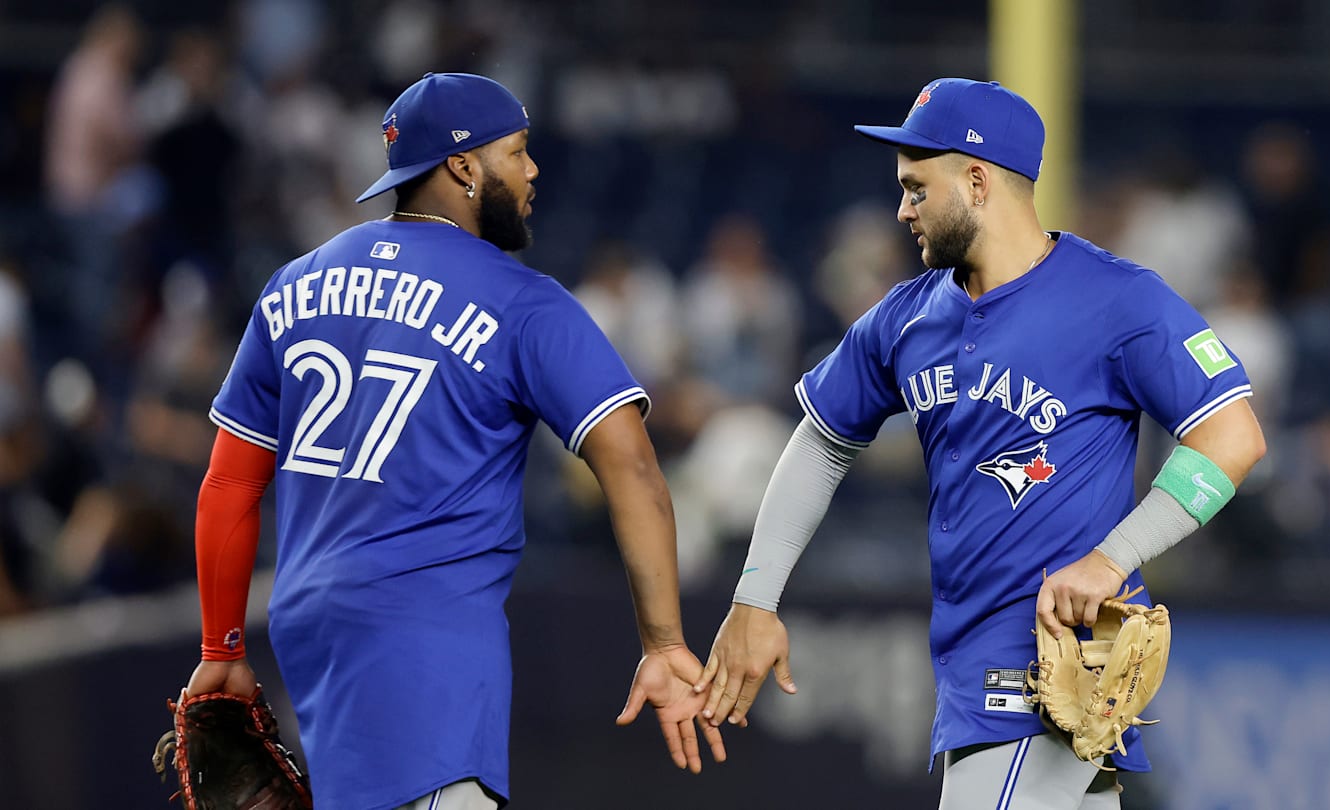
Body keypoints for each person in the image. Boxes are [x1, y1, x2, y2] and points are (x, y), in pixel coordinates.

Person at [697, 78, 1267, 809]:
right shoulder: (905, 318)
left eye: (916, 189)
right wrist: (754, 599)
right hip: (971, 673)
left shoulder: (1117, 299)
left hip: (1038, 666)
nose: (902, 210)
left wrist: (1113, 558)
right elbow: (821, 441)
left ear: (976, 181)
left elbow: (1233, 435)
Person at [180, 72, 725, 810]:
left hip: (308, 626)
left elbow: (230, 484)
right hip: (424, 641)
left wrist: (221, 648)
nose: (533, 170)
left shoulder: (293, 284)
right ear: (463, 165)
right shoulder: (522, 301)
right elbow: (631, 465)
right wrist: (663, 642)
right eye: (517, 151)